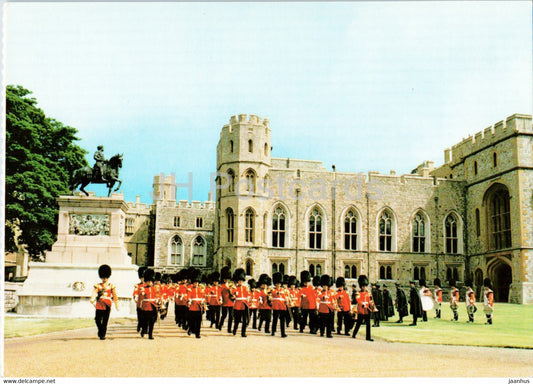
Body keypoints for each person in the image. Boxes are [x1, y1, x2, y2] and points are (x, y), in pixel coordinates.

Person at [90, 264, 119, 340]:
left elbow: (115, 296)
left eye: (105, 277)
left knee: (105, 320)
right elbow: (94, 292)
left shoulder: (111, 286)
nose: (104, 279)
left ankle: (102, 334)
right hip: (99, 304)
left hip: (107, 305)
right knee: (97, 319)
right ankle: (101, 330)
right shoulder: (98, 286)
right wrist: (92, 299)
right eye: (103, 277)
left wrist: (116, 305)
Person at [138, 269, 160, 339]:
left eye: (150, 281)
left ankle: (150, 334)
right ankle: (143, 330)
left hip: (153, 306)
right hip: (146, 306)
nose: (149, 282)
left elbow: (157, 295)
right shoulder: (142, 288)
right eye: (148, 281)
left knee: (152, 321)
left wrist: (157, 300)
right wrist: (142, 293)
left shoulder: (154, 288)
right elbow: (140, 297)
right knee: (145, 321)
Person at [351, 275, 373, 342]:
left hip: (367, 310)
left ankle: (368, 337)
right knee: (358, 323)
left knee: (368, 324)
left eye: (365, 286)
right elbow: (358, 300)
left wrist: (372, 305)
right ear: (361, 286)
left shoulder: (368, 293)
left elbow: (370, 300)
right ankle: (354, 334)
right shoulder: (358, 293)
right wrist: (362, 304)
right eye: (363, 286)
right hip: (361, 310)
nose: (364, 287)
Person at [187, 269, 205, 338]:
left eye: (197, 282)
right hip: (192, 306)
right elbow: (189, 296)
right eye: (194, 283)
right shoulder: (190, 289)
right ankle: (190, 329)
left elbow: (203, 296)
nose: (196, 284)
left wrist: (203, 301)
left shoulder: (200, 289)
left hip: (199, 307)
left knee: (198, 321)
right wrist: (189, 301)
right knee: (192, 321)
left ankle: (198, 333)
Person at [232, 268, 249, 337]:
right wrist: (234, 294)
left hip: (244, 304)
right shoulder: (234, 288)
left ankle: (243, 333)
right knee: (237, 320)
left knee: (245, 320)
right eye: (239, 281)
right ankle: (234, 330)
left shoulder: (245, 288)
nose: (240, 282)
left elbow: (247, 295)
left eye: (241, 281)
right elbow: (232, 295)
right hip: (238, 305)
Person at [270, 272, 288, 338]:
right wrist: (278, 292)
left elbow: (285, 296)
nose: (278, 285)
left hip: (282, 306)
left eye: (279, 284)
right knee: (275, 319)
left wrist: (286, 300)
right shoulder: (273, 290)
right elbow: (274, 294)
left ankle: (283, 333)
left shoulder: (284, 290)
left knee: (282, 320)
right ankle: (273, 331)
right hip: (276, 306)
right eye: (277, 284)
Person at [217, 266, 234, 332]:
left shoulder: (231, 285)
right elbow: (219, 293)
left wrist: (233, 294)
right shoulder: (221, 286)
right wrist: (220, 299)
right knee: (224, 315)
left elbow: (234, 293)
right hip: (225, 302)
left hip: (231, 302)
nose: (226, 280)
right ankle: (220, 325)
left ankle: (229, 329)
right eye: (225, 279)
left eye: (227, 279)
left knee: (231, 316)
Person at [133, 266, 147, 333]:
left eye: (144, 278)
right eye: (142, 278)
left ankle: (145, 329)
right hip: (139, 304)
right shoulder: (137, 285)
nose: (143, 279)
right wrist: (135, 297)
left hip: (146, 305)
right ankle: (139, 325)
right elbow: (135, 293)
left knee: (145, 318)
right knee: (140, 317)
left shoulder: (148, 286)